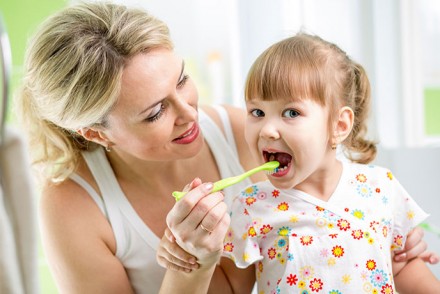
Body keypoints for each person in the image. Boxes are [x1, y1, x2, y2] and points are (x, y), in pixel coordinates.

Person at [14, 1, 435, 293]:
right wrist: (193, 260)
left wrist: (388, 243)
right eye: (156, 111)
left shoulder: (244, 131)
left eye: (181, 79)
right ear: (97, 134)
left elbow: (335, 202)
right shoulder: (73, 205)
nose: (190, 113)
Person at [161, 33, 440, 293]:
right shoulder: (250, 207)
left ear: (339, 125)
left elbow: (405, 270)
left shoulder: (381, 189)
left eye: (291, 112)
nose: (267, 129)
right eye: (257, 111)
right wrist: (195, 253)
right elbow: (232, 288)